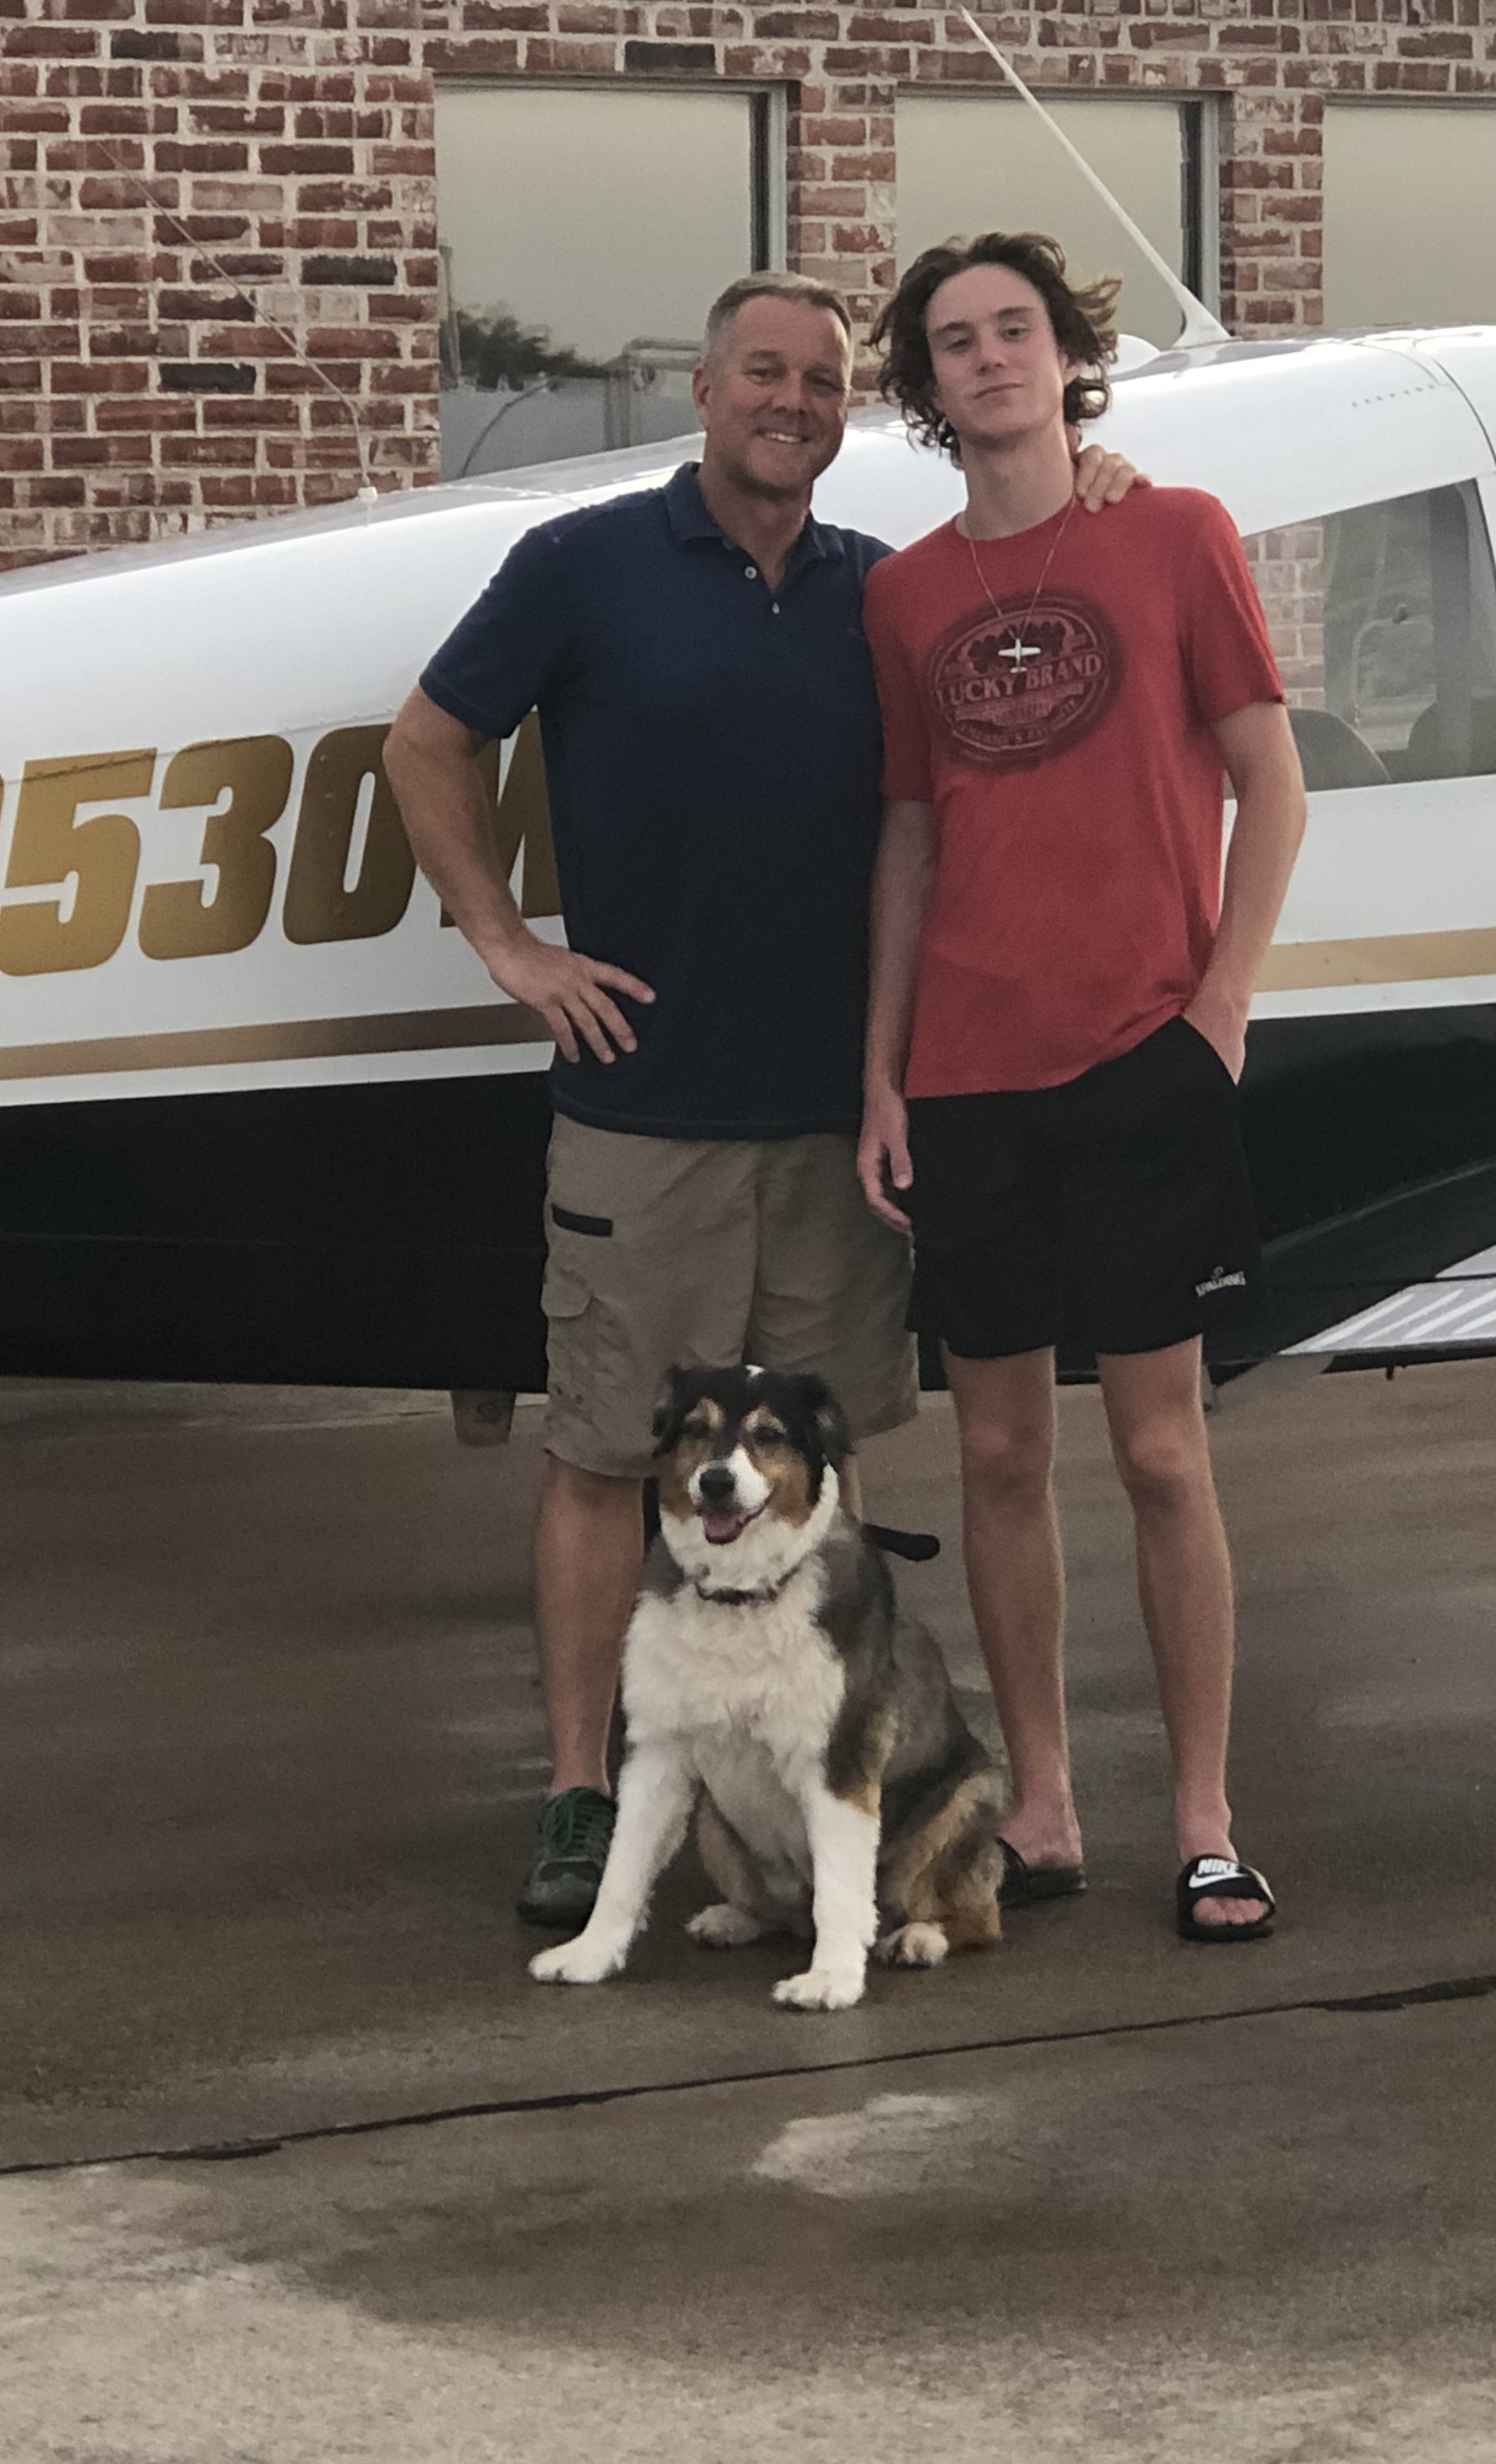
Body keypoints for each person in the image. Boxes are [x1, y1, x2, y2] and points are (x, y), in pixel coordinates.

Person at [386, 272, 1143, 1925]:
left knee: (819, 1470)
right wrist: (509, 943)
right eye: (762, 373)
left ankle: (814, 1786)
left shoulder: (880, 592)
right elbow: (425, 745)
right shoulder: (583, 564)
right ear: (706, 391)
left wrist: (1100, 478)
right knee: (608, 1459)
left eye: (822, 379)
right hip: (640, 1115)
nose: (792, 401)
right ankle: (582, 1795)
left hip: (833, 1125)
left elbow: (1023, 630)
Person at [854, 231, 1308, 1944]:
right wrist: (883, 1073)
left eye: (1013, 330)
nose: (987, 359)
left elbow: (1272, 781)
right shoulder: (902, 598)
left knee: (1164, 1455)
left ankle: (1203, 1819)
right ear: (926, 383)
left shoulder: (1175, 533)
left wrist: (1222, 1007)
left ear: (1066, 356)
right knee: (993, 1453)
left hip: (1144, 1062)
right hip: (968, 1077)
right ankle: (1041, 1806)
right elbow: (909, 840)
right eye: (954, 341)